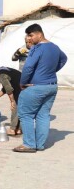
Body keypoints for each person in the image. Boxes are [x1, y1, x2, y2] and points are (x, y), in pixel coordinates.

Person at [14, 23, 67, 153]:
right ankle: (40, 145)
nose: (29, 38)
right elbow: (64, 59)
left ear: (39, 34)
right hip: (52, 86)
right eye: (27, 36)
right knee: (43, 115)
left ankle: (29, 144)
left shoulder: (37, 48)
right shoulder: (55, 47)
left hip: (35, 87)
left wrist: (23, 82)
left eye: (31, 35)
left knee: (26, 115)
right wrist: (51, 71)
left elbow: (28, 67)